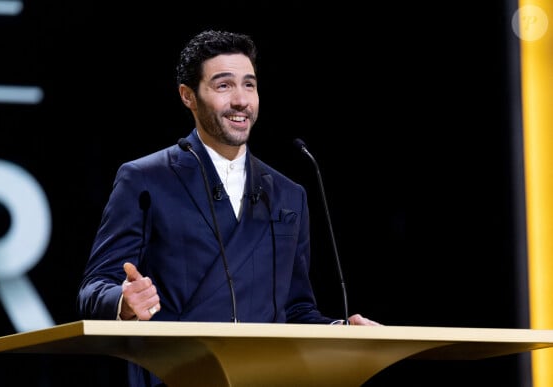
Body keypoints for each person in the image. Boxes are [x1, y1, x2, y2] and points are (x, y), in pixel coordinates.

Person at [76, 29, 381, 387]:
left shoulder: (288, 193)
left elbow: (296, 309)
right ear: (188, 96)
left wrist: (340, 329)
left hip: (265, 376)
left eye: (249, 85)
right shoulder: (145, 179)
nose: (241, 100)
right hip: (173, 376)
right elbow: (93, 288)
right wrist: (123, 301)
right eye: (224, 86)